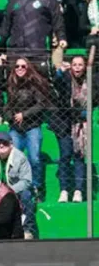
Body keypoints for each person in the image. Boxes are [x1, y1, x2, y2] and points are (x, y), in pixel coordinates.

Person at [0, 0, 66, 72]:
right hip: (16, 52)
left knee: (39, 84)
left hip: (38, 52)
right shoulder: (14, 1)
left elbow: (58, 22)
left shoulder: (48, 0)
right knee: (15, 84)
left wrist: (61, 37)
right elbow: (5, 25)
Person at [4, 57, 49, 202]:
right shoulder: (11, 85)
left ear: (28, 68)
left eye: (23, 66)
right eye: (17, 66)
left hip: (32, 127)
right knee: (14, 160)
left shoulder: (35, 85)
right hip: (15, 128)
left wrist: (24, 114)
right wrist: (11, 116)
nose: (20, 68)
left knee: (34, 159)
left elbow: (41, 104)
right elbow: (6, 107)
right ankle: (15, 189)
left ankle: (36, 188)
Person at [0, 131, 37, 239]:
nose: (1, 145)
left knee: (27, 195)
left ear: (11, 144)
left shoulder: (20, 158)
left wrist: (8, 191)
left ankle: (27, 229)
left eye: (4, 143)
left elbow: (26, 181)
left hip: (15, 191)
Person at [52, 56, 90, 203]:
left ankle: (78, 191)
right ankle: (64, 190)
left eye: (80, 65)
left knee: (79, 155)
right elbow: (57, 85)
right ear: (71, 67)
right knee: (65, 155)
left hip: (81, 125)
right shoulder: (66, 79)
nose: (77, 67)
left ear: (85, 66)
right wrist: (60, 73)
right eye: (74, 65)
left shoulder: (91, 81)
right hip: (64, 123)